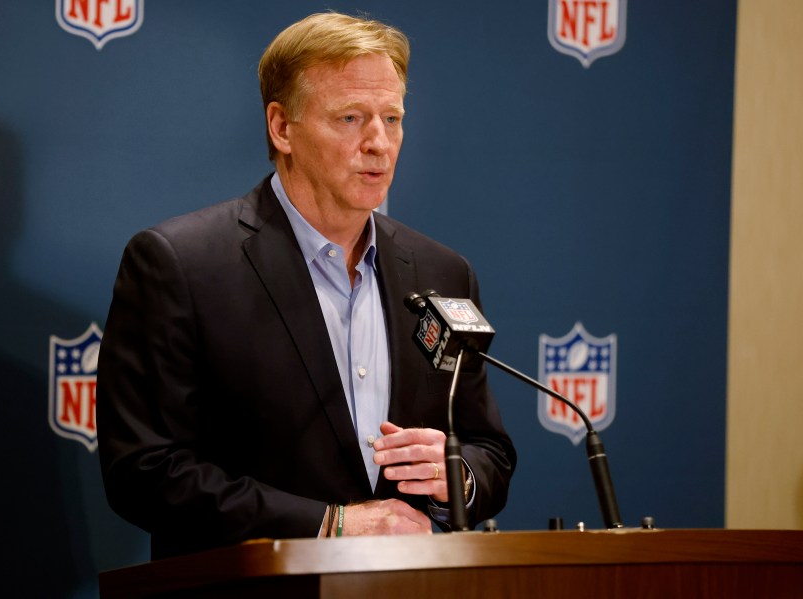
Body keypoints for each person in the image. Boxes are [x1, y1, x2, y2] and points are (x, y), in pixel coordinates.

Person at [97, 11, 516, 560]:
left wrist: (453, 477)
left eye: (392, 119)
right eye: (350, 118)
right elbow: (145, 471)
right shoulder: (181, 264)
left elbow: (489, 452)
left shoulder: (441, 272)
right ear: (282, 127)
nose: (379, 143)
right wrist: (328, 525)